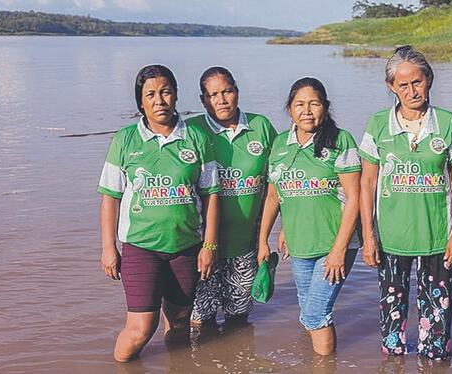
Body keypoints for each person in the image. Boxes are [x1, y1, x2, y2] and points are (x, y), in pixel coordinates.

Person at [98, 64, 220, 362]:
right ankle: (122, 366)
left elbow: (212, 195)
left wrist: (209, 246)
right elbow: (110, 198)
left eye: (165, 92)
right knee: (140, 329)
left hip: (186, 248)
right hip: (141, 247)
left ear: (176, 95)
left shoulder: (197, 138)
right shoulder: (125, 140)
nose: (159, 100)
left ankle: (176, 366)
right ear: (140, 101)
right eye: (150, 94)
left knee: (179, 322)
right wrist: (108, 248)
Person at [358, 46, 452, 360]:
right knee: (391, 329)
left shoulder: (446, 122)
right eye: (403, 84)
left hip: (437, 236)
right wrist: (368, 235)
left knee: (437, 331)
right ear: (391, 87)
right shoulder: (378, 124)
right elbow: (367, 182)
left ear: (429, 79)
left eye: (417, 82)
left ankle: (432, 364)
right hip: (391, 237)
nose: (411, 90)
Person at [257, 77, 362, 355]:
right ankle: (317, 360)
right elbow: (273, 197)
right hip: (300, 246)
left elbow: (355, 198)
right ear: (289, 109)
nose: (307, 110)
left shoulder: (341, 140)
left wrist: (339, 250)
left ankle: (323, 366)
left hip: (334, 246)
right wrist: (263, 240)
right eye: (299, 104)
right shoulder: (280, 144)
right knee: (309, 312)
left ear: (325, 107)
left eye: (314, 104)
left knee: (316, 314)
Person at [187, 66, 277, 327]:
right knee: (199, 320)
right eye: (213, 94)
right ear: (203, 99)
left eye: (227, 91)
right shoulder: (193, 130)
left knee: (239, 318)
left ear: (237, 91)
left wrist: (272, 236)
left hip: (245, 244)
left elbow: (276, 184)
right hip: (200, 246)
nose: (221, 99)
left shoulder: (260, 127)